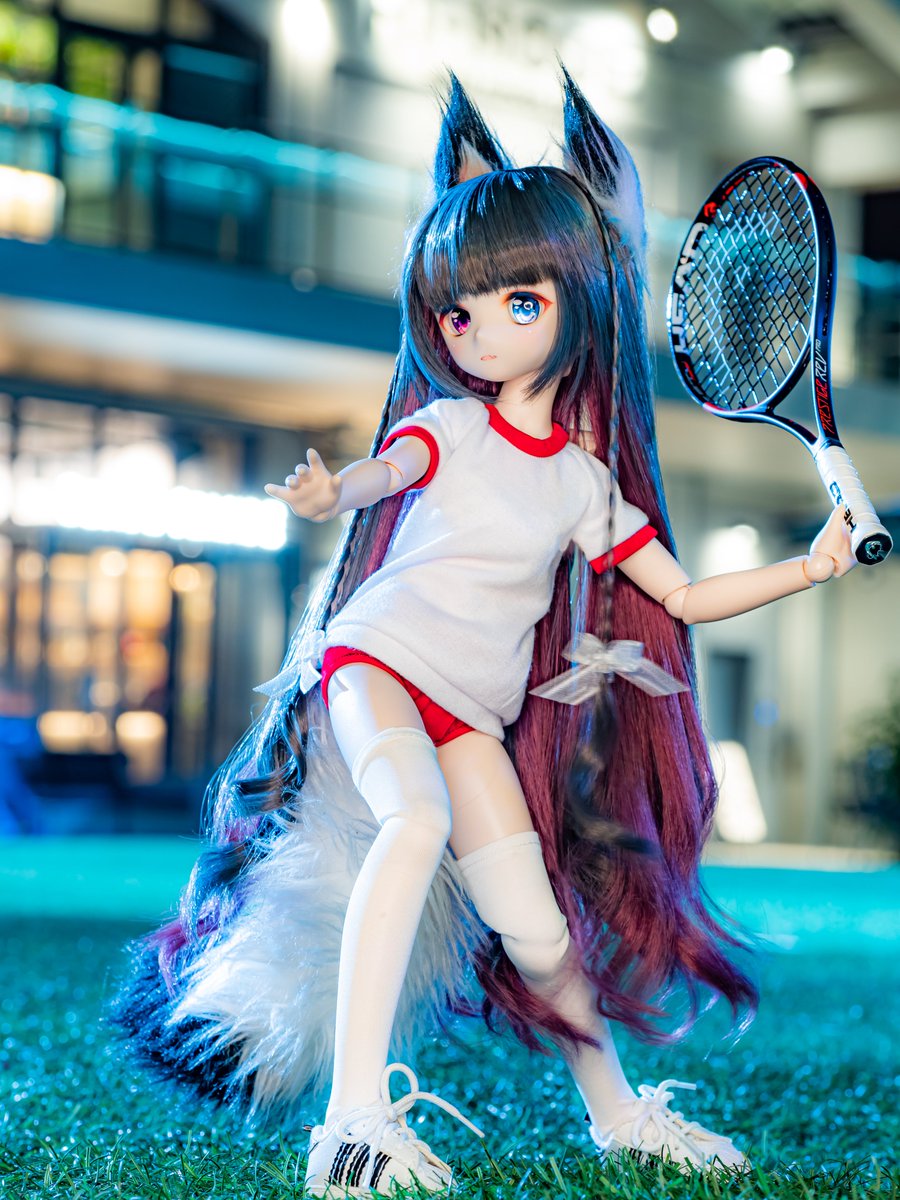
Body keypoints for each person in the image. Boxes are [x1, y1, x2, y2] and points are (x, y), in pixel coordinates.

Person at [111, 72, 855, 1196]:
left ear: (580, 300)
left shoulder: (585, 486)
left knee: (539, 933)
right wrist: (332, 492)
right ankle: (351, 1125)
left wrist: (813, 565)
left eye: (517, 301)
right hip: (375, 663)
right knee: (412, 822)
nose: (477, 331)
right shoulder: (450, 423)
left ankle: (619, 1113)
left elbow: (685, 597)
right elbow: (387, 472)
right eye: (457, 312)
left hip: (473, 714)